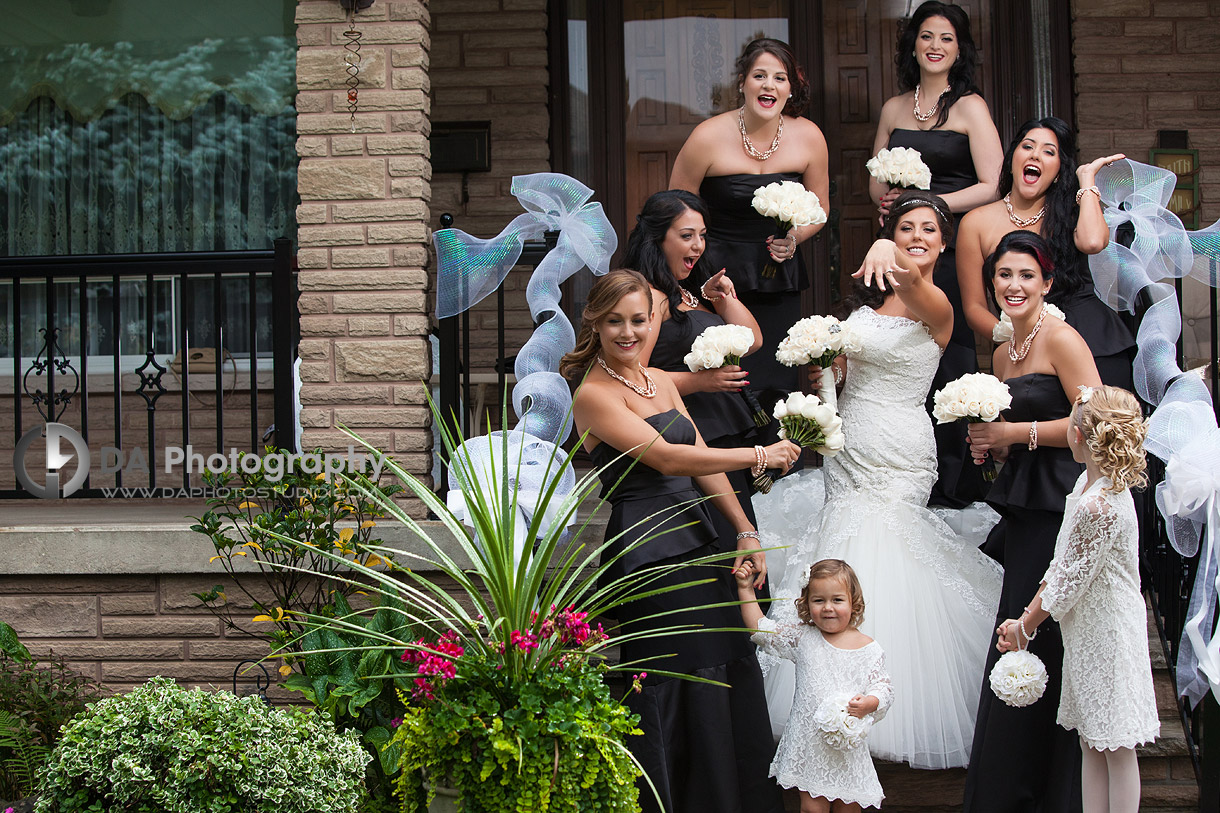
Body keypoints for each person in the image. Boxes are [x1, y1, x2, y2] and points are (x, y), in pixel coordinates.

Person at [754, 190, 1003, 770]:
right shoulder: (864, 312)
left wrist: (886, 242)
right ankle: (822, 687)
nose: (917, 237)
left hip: (899, 448)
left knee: (885, 547)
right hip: (849, 445)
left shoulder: (935, 304)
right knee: (841, 544)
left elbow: (912, 282)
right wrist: (826, 374)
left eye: (928, 230)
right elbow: (844, 377)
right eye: (906, 227)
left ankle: (886, 693)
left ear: (943, 243)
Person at [561, 269, 800, 813]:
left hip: (701, 533)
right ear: (595, 323)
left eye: (639, 320)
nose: (628, 332)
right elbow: (669, 458)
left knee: (726, 659)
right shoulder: (593, 395)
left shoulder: (658, 380)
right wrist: (759, 456)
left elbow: (699, 458)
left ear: (654, 320)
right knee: (678, 673)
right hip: (651, 546)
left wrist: (744, 530)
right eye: (615, 321)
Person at [961, 231, 1104, 812]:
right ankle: (1008, 788)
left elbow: (1102, 426)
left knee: (1041, 631)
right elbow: (1014, 434)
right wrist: (991, 449)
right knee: (1016, 636)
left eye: (1026, 276)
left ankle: (1053, 793)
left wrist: (1015, 434)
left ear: (1047, 283)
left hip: (1061, 509)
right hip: (1023, 510)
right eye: (1003, 275)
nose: (1013, 286)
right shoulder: (1001, 352)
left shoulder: (1063, 340)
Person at [995, 385, 1159, 813]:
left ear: (1080, 435)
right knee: (1090, 739)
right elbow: (1059, 567)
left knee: (1116, 744)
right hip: (1087, 635)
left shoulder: (1100, 505)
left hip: (1109, 634)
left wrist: (1023, 627)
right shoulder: (1084, 491)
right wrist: (1024, 621)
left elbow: (1068, 582)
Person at [868, 1, 1004, 508]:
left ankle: (953, 483)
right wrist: (885, 193)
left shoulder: (971, 107)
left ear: (959, 49)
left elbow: (992, 184)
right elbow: (874, 178)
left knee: (949, 358)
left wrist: (934, 204)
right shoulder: (893, 108)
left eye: (946, 38)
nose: (935, 46)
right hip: (898, 244)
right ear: (913, 44)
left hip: (947, 249)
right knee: (897, 349)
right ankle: (897, 470)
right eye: (926, 36)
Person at [670, 37, 829, 409]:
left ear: (791, 88)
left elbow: (820, 208)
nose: (768, 85)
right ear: (742, 82)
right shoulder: (707, 137)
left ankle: (772, 463)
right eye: (759, 75)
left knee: (775, 380)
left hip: (778, 278)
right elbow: (674, 210)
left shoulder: (809, 137)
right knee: (721, 377)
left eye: (779, 78)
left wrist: (794, 237)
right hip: (716, 277)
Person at [625, 189, 765, 558]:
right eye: (687, 236)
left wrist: (723, 299)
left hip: (723, 428)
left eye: (702, 235)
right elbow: (631, 376)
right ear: (658, 239)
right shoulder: (649, 298)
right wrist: (700, 382)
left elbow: (751, 341)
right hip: (692, 430)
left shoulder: (690, 294)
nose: (698, 245)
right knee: (716, 543)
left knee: (739, 537)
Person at [955, 117, 1134, 389]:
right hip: (1022, 353)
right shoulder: (974, 223)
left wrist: (1085, 181)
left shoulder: (1072, 214)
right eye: (1028, 147)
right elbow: (974, 307)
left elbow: (1094, 242)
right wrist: (1014, 337)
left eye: (1049, 152)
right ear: (1012, 159)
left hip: (1093, 341)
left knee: (1100, 427)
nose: (1036, 155)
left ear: (1059, 172)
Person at [735, 557, 892, 812]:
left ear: (854, 602)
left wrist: (869, 703)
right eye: (819, 600)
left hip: (846, 748)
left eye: (837, 600)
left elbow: (883, 687)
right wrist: (745, 589)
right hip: (810, 746)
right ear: (807, 604)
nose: (828, 607)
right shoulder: (803, 637)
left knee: (848, 807)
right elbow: (761, 630)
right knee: (812, 808)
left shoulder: (868, 648)